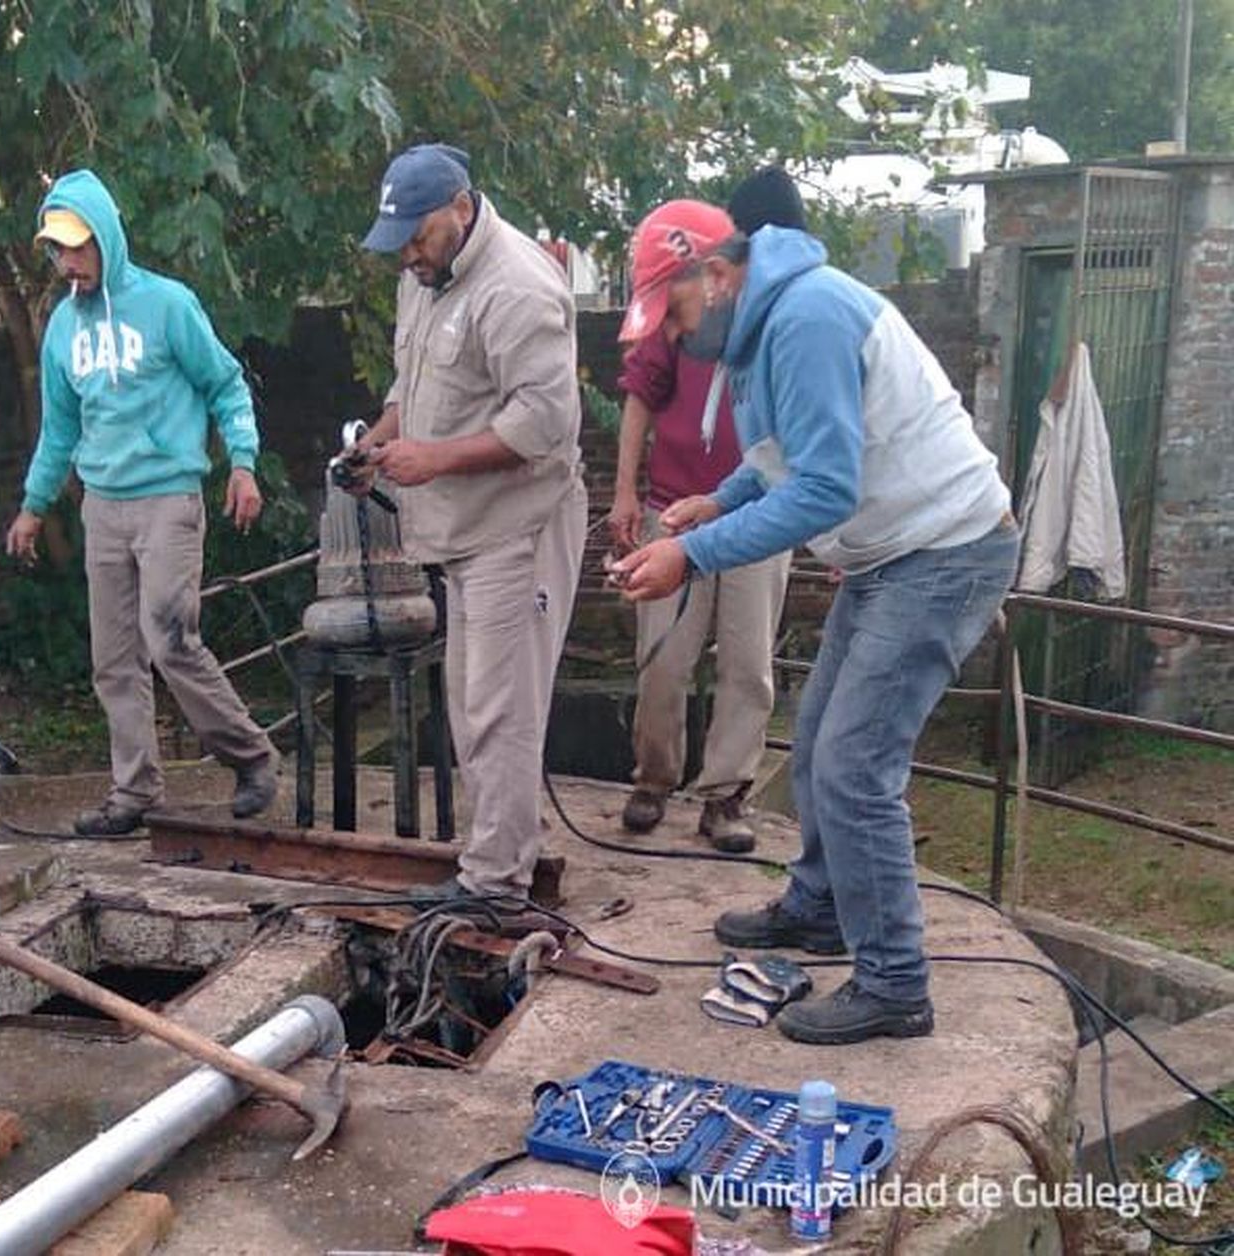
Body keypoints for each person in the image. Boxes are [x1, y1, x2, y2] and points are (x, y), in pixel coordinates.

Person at [611, 199, 1018, 1045]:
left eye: (675, 314)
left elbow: (824, 489)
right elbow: (783, 460)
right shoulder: (761, 329)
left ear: (716, 277)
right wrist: (716, 501)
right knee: (821, 737)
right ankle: (823, 907)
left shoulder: (805, 319)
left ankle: (896, 982)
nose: (672, 340)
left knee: (854, 766)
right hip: (892, 552)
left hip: (944, 550)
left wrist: (693, 553)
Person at [5, 169, 278, 837]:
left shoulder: (167, 305)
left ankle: (252, 757)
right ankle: (134, 794)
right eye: (59, 250)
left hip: (168, 499)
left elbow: (225, 385)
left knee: (170, 639)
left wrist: (242, 464)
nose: (69, 262)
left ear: (107, 237)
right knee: (114, 658)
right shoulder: (63, 329)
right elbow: (60, 429)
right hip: (103, 506)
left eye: (79, 246)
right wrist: (34, 505)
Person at [351, 142, 587, 902]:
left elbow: (545, 424)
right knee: (472, 704)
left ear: (461, 207)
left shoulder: (517, 287)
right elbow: (410, 385)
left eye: (417, 238)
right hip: (463, 531)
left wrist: (436, 460)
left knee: (500, 707)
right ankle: (492, 862)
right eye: (398, 244)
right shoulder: (425, 278)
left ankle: (496, 882)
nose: (406, 258)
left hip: (517, 527)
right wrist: (381, 441)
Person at [609, 171, 806, 851]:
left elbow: (819, 443)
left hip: (760, 515)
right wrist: (626, 492)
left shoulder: (780, 324)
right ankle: (653, 777)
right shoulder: (672, 315)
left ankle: (726, 794)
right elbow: (638, 396)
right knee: (662, 658)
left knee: (748, 664)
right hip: (677, 509)